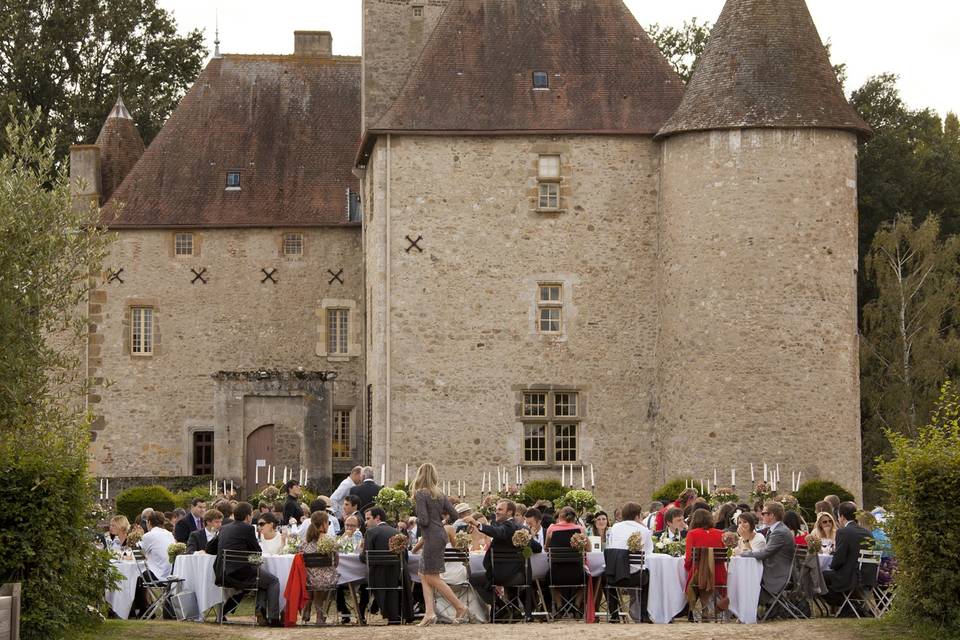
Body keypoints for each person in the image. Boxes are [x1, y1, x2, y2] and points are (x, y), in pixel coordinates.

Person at [462, 500, 542, 621]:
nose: (496, 512)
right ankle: (512, 610)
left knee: (474, 578)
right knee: (501, 579)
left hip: (501, 575)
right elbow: (538, 548)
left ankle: (501, 606)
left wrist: (478, 525)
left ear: (509, 512)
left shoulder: (508, 526)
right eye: (496, 509)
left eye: (500, 509)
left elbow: (499, 532)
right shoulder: (521, 528)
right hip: (519, 575)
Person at [410, 463, 470, 625]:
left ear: (420, 476)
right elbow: (455, 514)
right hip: (439, 534)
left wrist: (414, 519)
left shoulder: (421, 494)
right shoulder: (440, 494)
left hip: (431, 536)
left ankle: (459, 606)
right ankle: (429, 613)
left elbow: (423, 520)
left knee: (432, 576)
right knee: (423, 574)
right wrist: (441, 521)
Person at [207, 502, 281, 626]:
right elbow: (257, 551)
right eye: (251, 514)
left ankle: (260, 612)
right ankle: (274, 618)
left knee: (263, 581)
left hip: (222, 573)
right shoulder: (248, 528)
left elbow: (209, 548)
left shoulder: (224, 528)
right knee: (273, 581)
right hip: (240, 574)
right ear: (247, 516)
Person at [742, 502, 796, 608]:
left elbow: (764, 553)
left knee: (745, 579)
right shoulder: (777, 529)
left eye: (763, 513)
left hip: (776, 574)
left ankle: (738, 608)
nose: (761, 516)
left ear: (771, 515)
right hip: (773, 570)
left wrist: (744, 553)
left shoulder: (779, 532)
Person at [606, 502, 653, 622]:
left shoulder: (615, 527)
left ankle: (614, 614)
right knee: (648, 575)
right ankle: (643, 614)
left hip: (615, 576)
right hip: (636, 577)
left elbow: (611, 547)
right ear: (637, 516)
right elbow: (648, 553)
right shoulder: (643, 530)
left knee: (604, 576)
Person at [822, 502, 872, 609]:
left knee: (819, 576)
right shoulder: (868, 533)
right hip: (867, 576)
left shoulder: (843, 532)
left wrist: (832, 566)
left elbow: (839, 559)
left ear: (842, 517)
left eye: (839, 517)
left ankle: (847, 606)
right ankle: (852, 604)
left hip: (850, 577)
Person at [363, 507, 406, 624]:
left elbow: (365, 557)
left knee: (363, 585)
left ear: (377, 518)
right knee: (391, 588)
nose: (366, 522)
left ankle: (365, 615)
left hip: (376, 576)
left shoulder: (371, 533)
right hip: (395, 575)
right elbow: (404, 557)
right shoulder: (397, 532)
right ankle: (394, 615)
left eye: (368, 518)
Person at [683, 508, 727, 622]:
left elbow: (688, 559)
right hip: (719, 575)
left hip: (699, 576)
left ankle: (701, 610)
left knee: (698, 575)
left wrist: (687, 569)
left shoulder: (692, 534)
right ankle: (708, 610)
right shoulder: (721, 534)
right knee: (705, 573)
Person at [299, 510, 339, 625]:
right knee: (320, 579)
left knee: (313, 579)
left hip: (307, 579)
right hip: (325, 579)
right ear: (324, 524)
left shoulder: (305, 542)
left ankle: (307, 609)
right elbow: (336, 562)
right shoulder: (329, 541)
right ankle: (319, 616)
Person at [545, 506, 587, 614]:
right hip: (577, 574)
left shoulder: (551, 529)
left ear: (559, 516)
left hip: (555, 575)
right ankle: (577, 603)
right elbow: (589, 549)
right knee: (588, 578)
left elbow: (546, 549)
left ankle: (559, 605)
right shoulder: (580, 529)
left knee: (547, 578)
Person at [335, 514, 368, 624]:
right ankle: (344, 611)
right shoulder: (341, 536)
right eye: (347, 525)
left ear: (358, 526)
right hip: (343, 573)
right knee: (335, 584)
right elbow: (336, 548)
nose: (349, 528)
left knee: (366, 586)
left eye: (352, 526)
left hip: (359, 573)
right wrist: (344, 536)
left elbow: (357, 550)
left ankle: (361, 613)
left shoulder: (362, 537)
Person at [140, 511, 176, 579]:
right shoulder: (170, 534)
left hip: (155, 576)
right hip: (170, 575)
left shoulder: (149, 535)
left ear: (149, 522)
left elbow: (138, 554)